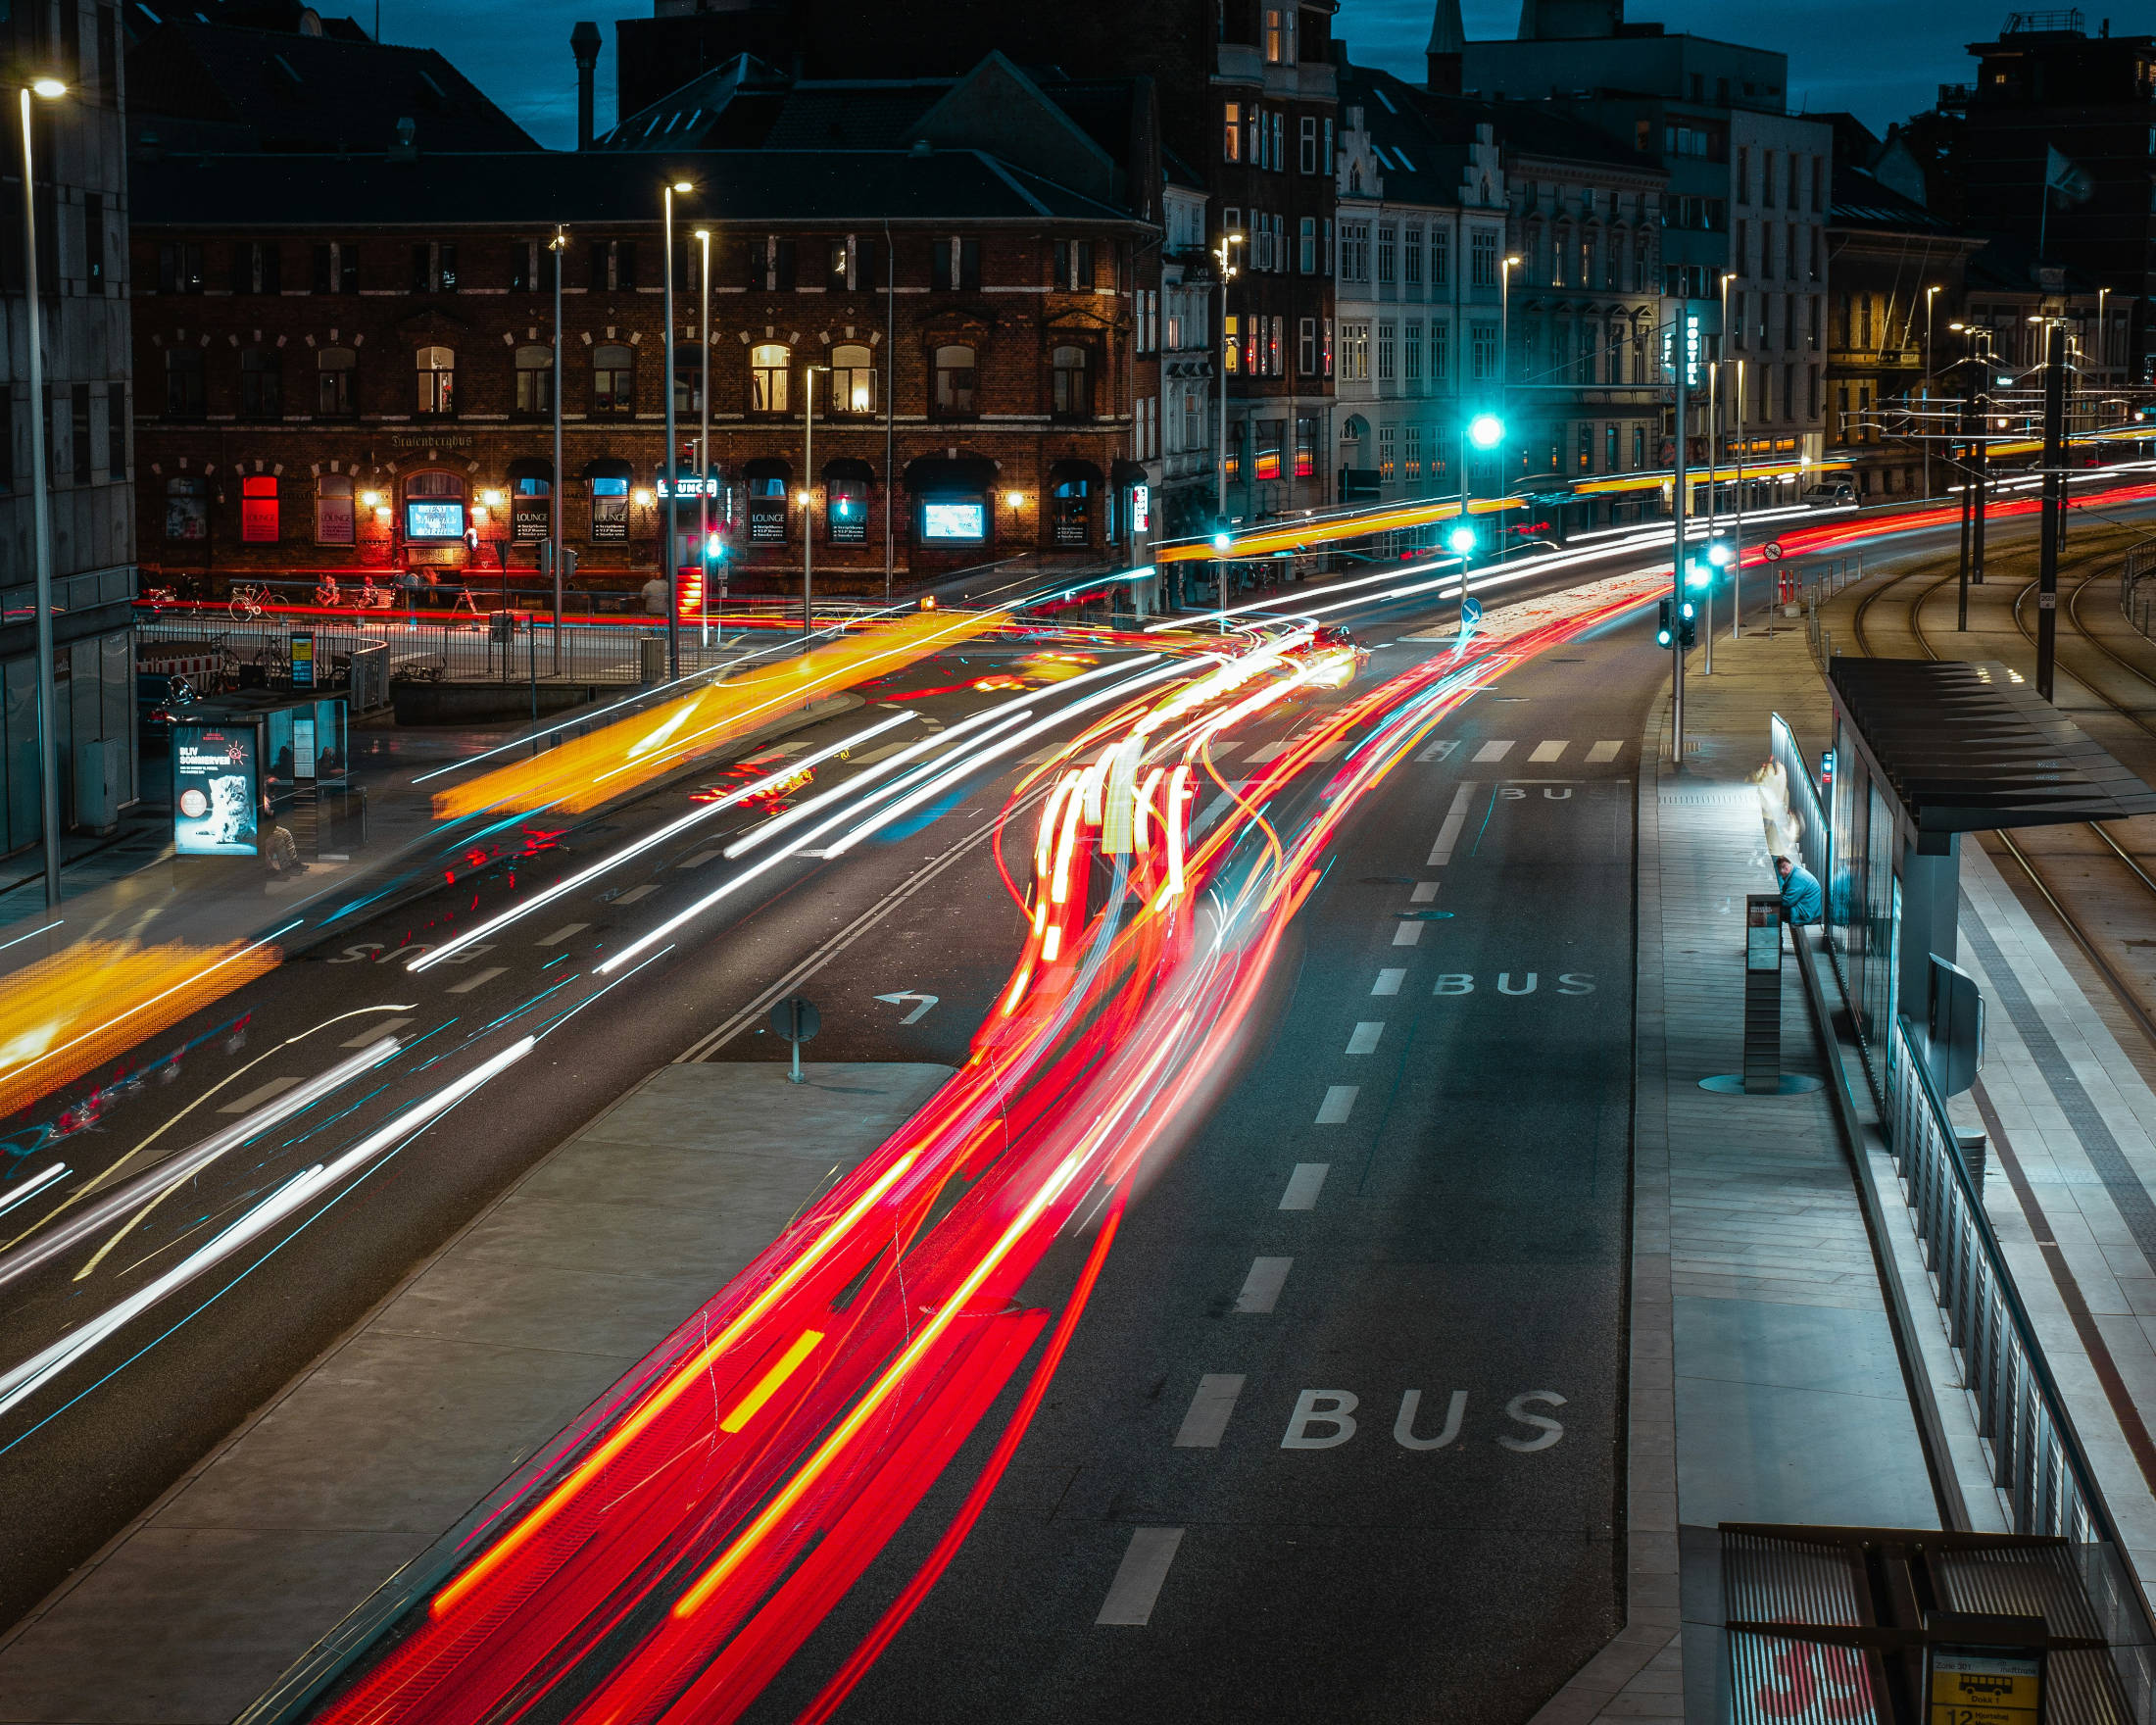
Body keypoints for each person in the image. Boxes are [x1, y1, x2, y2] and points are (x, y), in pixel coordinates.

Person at [1774, 855, 1822, 928]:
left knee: (1773, 911)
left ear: (1790, 863)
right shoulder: (1795, 871)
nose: (1782, 871)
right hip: (1809, 911)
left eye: (1784, 867)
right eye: (1780, 869)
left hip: (1806, 914)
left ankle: (1776, 938)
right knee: (1774, 910)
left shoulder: (1797, 878)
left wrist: (1771, 903)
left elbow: (1788, 902)